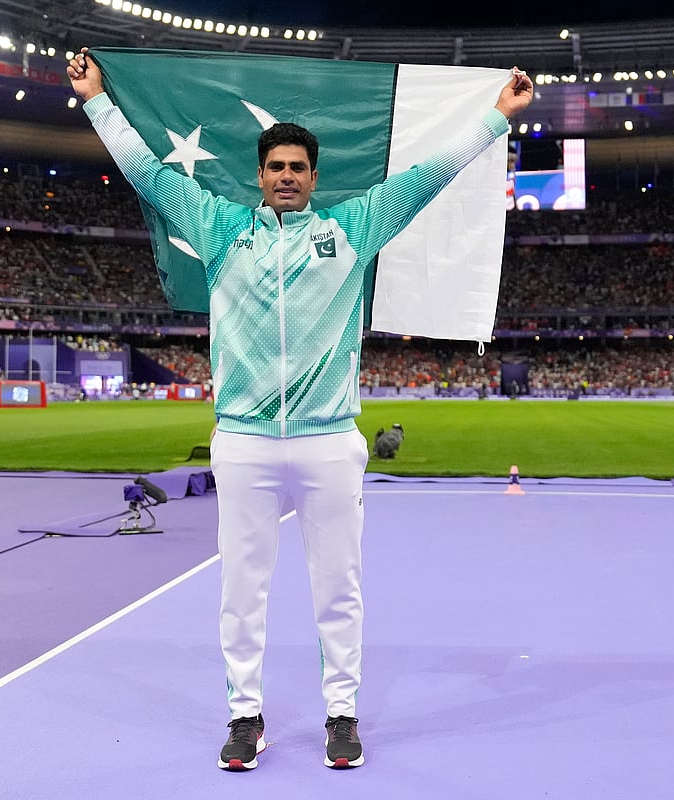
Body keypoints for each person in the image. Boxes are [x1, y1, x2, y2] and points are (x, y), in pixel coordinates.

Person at [66, 49, 533, 772]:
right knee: (240, 589)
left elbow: (429, 174)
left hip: (327, 442)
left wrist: (496, 119)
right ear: (260, 175)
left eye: (298, 168)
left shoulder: (354, 227)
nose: (286, 176)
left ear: (314, 178)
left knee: (337, 589)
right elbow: (147, 172)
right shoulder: (220, 226)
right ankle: (244, 716)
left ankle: (341, 715)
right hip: (245, 441)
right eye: (276, 166)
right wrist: (98, 101)